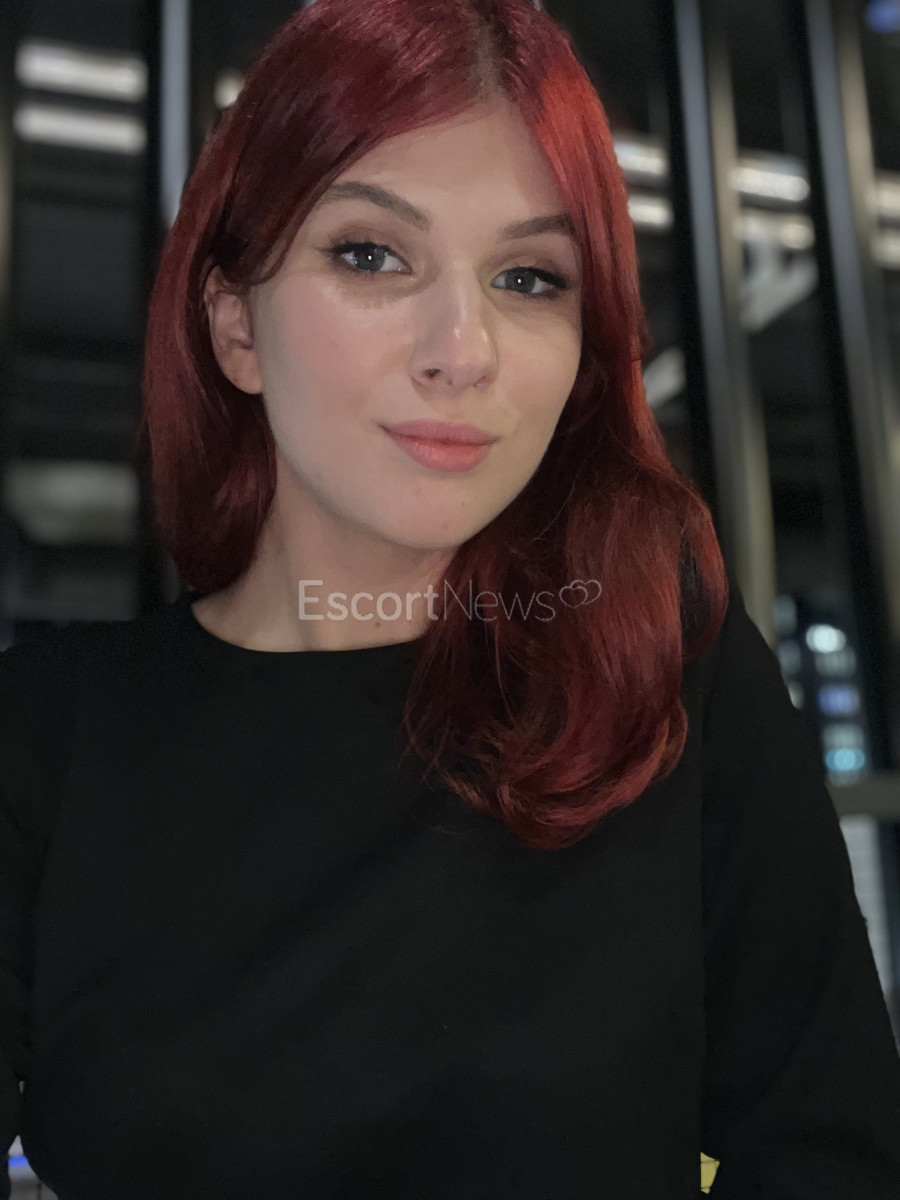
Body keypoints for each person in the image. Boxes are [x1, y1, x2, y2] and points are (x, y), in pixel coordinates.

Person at [2, 0, 900, 1195]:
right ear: (235, 326)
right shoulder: (48, 743)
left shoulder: (660, 672)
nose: (463, 349)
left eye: (529, 277)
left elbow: (833, 1144)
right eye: (371, 255)